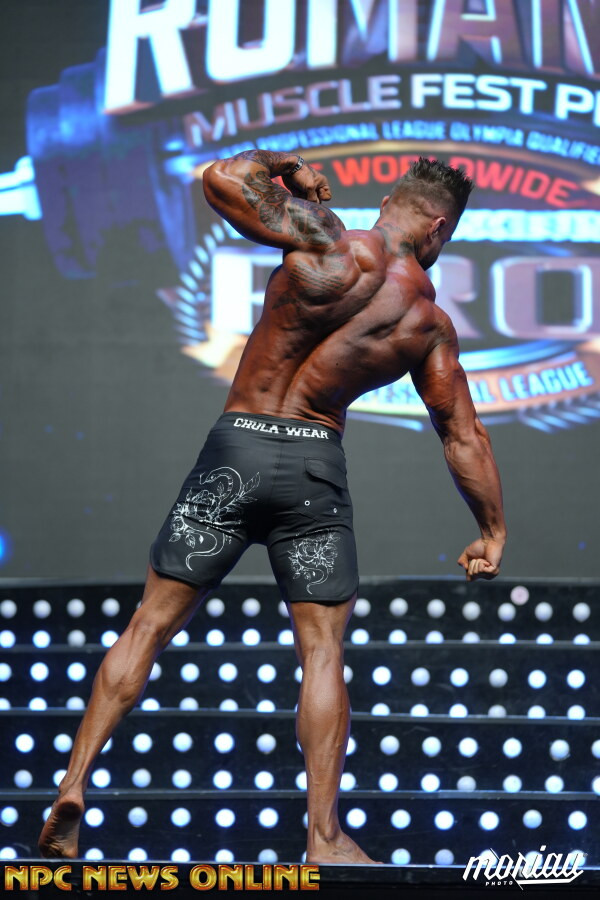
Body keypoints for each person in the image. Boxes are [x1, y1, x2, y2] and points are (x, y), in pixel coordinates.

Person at [39, 152, 506, 864]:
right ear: (440, 228)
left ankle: (72, 788)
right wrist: (491, 530)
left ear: (390, 200)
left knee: (149, 626)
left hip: (237, 451)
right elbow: (463, 435)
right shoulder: (427, 321)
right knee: (321, 651)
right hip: (313, 471)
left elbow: (219, 178)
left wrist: (288, 167)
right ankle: (323, 836)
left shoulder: (322, 237)